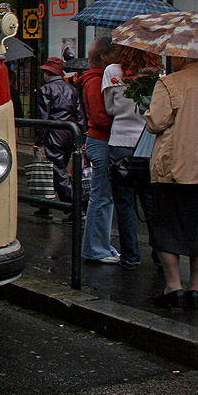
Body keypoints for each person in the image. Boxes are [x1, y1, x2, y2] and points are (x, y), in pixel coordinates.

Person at [144, 55, 198, 310]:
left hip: (174, 165)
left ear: (181, 56)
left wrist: (145, 108)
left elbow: (156, 122)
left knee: (167, 226)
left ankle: (174, 287)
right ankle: (195, 290)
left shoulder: (170, 83)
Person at [103, 45, 160, 270]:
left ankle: (130, 257)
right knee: (150, 201)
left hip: (120, 141)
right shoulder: (157, 74)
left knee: (124, 203)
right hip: (148, 143)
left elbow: (109, 109)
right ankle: (160, 256)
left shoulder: (112, 72)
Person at [81, 37, 121, 263]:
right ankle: (96, 248)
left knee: (104, 196)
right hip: (102, 139)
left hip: (98, 139)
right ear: (103, 57)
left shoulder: (94, 79)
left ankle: (100, 245)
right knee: (102, 196)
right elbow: (99, 117)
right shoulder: (96, 81)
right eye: (114, 54)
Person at [33, 56, 86, 209]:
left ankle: (73, 206)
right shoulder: (72, 89)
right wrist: (80, 136)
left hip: (54, 133)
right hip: (70, 131)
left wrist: (39, 141)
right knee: (59, 168)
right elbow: (79, 115)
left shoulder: (46, 89)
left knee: (57, 170)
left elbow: (43, 117)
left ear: (48, 73)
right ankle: (46, 206)